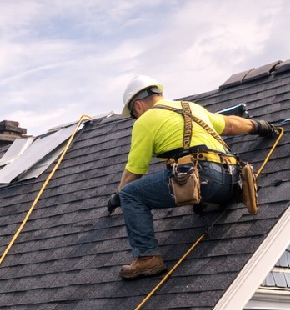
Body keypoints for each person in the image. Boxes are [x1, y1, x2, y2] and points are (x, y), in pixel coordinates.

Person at [111, 74, 279, 280]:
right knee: (196, 180)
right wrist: (260, 126)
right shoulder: (191, 108)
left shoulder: (145, 121)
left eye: (134, 115)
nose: (136, 118)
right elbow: (230, 125)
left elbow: (134, 171)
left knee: (130, 194)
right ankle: (210, 203)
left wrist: (117, 197)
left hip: (201, 179)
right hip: (233, 181)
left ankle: (147, 258)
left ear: (137, 106)